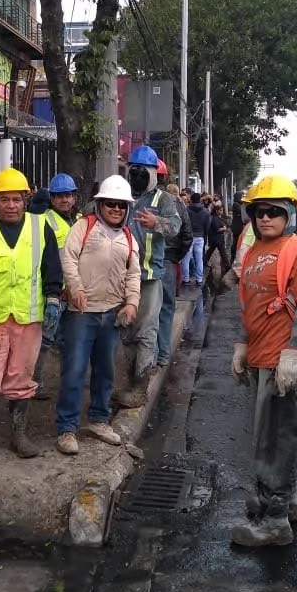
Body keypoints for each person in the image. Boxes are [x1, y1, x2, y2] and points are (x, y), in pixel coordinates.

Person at [229, 175, 297, 547]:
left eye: (273, 211)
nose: (265, 218)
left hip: (279, 361)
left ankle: (275, 520)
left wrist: (292, 354)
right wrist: (241, 345)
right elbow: (248, 304)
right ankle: (275, 500)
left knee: (276, 438)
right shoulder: (253, 251)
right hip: (259, 357)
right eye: (258, 212)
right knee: (267, 435)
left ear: (289, 213)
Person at [0, 167, 64, 459]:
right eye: (4, 199)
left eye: (16, 199)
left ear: (25, 200)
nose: (11, 205)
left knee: (21, 378)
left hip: (28, 317)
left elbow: (51, 268)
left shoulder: (39, 227)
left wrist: (53, 298)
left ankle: (19, 433)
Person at [55, 175, 141, 454]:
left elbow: (133, 274)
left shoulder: (128, 237)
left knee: (105, 371)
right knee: (75, 370)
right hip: (82, 313)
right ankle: (67, 428)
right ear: (100, 204)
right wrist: (76, 288)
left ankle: (99, 419)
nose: (116, 209)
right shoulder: (84, 227)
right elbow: (68, 259)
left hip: (111, 313)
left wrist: (132, 303)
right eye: (110, 204)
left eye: (120, 205)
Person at [119, 146, 181, 407]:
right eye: (134, 171)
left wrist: (155, 223)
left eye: (142, 172)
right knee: (122, 331)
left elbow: (175, 227)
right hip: (118, 276)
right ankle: (124, 381)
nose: (137, 177)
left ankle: (140, 386)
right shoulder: (119, 194)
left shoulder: (163, 200)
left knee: (146, 330)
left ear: (154, 173)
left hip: (148, 276)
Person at [34, 172, 81, 399]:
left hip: (71, 292)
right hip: (53, 293)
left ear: (74, 197)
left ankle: (68, 382)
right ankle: (34, 384)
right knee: (44, 341)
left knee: (68, 341)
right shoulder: (44, 221)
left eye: (68, 195)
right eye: (59, 196)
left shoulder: (77, 220)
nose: (65, 200)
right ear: (52, 199)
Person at [157, 178, 193, 368]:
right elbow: (187, 235)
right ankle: (162, 354)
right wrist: (176, 257)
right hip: (168, 261)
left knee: (146, 310)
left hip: (144, 262)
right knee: (165, 308)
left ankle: (150, 356)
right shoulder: (177, 203)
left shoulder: (145, 201)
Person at [182, 192, 211, 287]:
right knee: (199, 259)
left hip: (188, 237)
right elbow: (207, 226)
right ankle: (199, 279)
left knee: (186, 259)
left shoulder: (186, 210)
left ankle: (185, 279)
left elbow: (183, 224)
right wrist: (205, 236)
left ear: (191, 200)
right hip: (200, 237)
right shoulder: (205, 211)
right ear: (199, 200)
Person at [205, 200, 230, 277]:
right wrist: (224, 228)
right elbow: (217, 229)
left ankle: (204, 261)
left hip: (217, 239)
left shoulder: (219, 218)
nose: (222, 211)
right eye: (221, 210)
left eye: (222, 210)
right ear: (217, 211)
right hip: (217, 239)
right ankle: (227, 266)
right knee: (222, 252)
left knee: (211, 251)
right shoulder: (214, 218)